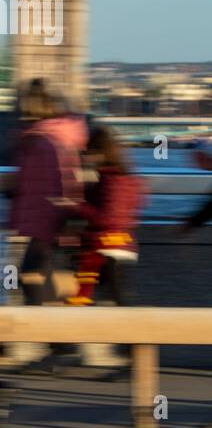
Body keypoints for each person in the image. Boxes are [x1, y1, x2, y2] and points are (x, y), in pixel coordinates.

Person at [7, 79, 88, 372]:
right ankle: (62, 347)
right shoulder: (55, 137)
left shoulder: (42, 142)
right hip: (53, 226)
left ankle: (60, 348)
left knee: (35, 281)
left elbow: (48, 187)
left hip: (48, 227)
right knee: (48, 283)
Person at [64, 126, 146, 307]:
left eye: (89, 153)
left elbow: (105, 217)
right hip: (125, 240)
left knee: (89, 264)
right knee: (114, 294)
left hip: (107, 241)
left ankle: (81, 298)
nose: (86, 158)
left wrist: (76, 205)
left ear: (100, 153)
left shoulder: (109, 180)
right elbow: (135, 205)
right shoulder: (126, 178)